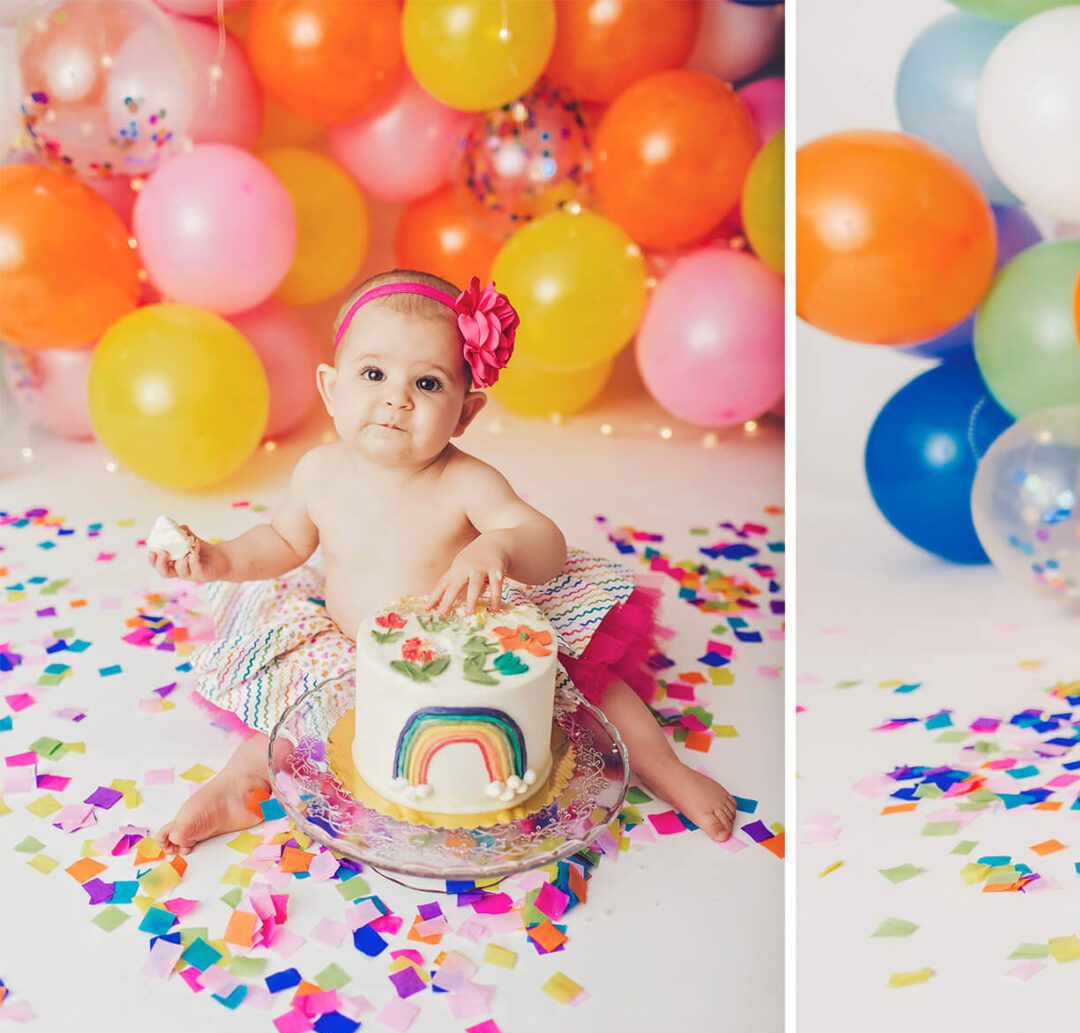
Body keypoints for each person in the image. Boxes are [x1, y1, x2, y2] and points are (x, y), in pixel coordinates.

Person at [151, 269, 736, 853]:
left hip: (467, 647)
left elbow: (545, 542)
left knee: (593, 690)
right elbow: (280, 543)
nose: (396, 397)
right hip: (352, 646)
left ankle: (661, 765)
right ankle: (238, 785)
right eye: (373, 373)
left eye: (427, 384)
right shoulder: (319, 474)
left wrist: (499, 545)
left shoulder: (464, 480)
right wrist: (219, 558)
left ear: (464, 413)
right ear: (331, 390)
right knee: (284, 721)